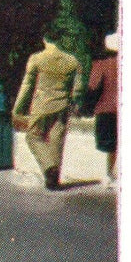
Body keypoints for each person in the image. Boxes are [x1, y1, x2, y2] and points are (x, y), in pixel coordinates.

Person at [13, 26, 85, 190]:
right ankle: (53, 180)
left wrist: (18, 107)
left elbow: (27, 85)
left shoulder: (36, 59)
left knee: (32, 137)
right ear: (59, 40)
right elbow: (78, 87)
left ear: (45, 40)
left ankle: (49, 168)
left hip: (41, 105)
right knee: (56, 140)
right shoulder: (72, 61)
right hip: (62, 105)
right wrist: (75, 102)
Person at [88, 32, 119, 188]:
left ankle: (109, 174)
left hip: (106, 108)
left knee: (109, 145)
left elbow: (93, 86)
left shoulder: (101, 64)